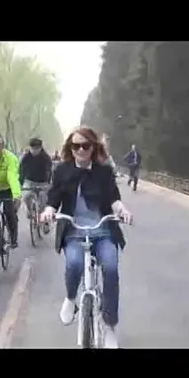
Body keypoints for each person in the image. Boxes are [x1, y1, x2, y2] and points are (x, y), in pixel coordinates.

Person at [40, 126, 133, 349]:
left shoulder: (104, 171)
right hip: (73, 230)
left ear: (93, 147)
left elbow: (113, 198)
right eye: (76, 145)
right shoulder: (62, 170)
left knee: (110, 268)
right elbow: (54, 197)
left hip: (103, 230)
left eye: (85, 146)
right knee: (73, 263)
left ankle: (110, 326)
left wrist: (122, 210)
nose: (80, 150)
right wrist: (49, 210)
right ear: (70, 147)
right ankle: (71, 298)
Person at [20, 138, 52, 232]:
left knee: (43, 201)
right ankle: (30, 211)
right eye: (32, 148)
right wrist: (20, 183)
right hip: (29, 181)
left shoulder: (46, 158)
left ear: (40, 148)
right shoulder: (26, 157)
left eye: (37, 148)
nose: (34, 150)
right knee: (26, 196)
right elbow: (21, 171)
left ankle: (45, 222)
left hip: (43, 182)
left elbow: (49, 171)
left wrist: (48, 183)